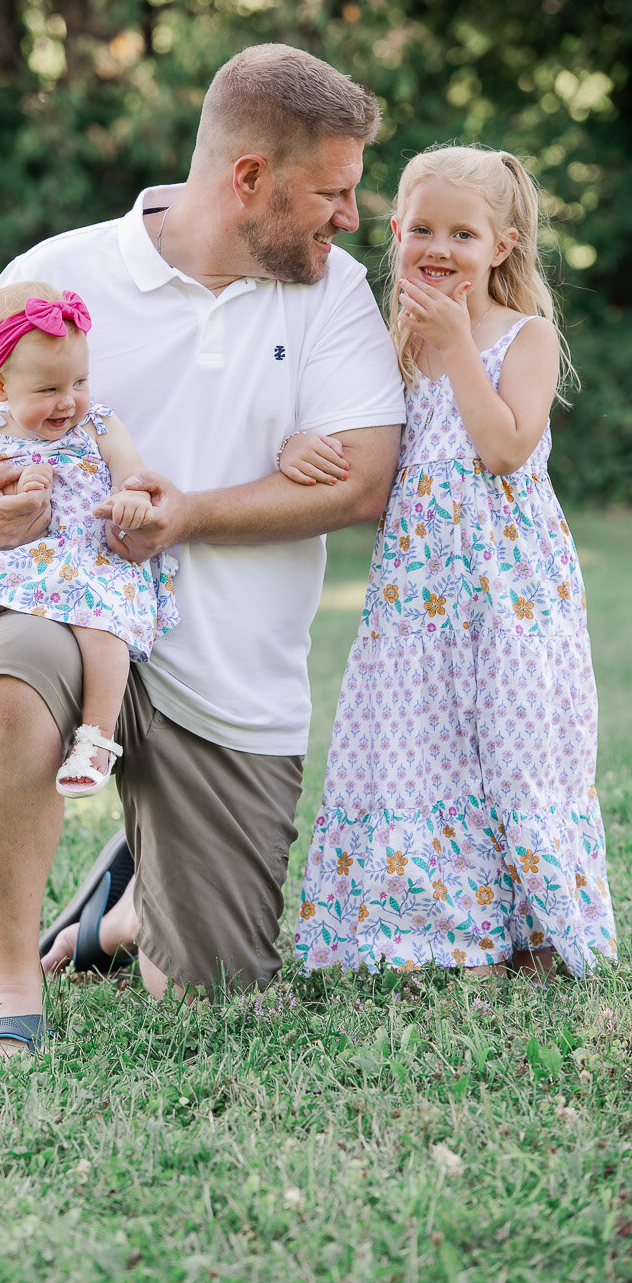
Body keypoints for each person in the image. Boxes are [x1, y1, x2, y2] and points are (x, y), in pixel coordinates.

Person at [0, 43, 407, 1056]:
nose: (350, 217)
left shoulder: (334, 292)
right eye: (332, 192)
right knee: (9, 670)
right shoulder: (54, 275)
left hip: (230, 674)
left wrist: (186, 513)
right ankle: (11, 983)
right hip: (66, 610)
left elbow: (364, 478)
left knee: (212, 994)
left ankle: (123, 897)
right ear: (247, 179)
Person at [292, 144, 617, 979]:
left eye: (463, 234)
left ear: (500, 246)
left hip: (510, 585)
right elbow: (362, 442)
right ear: (395, 231)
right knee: (425, 744)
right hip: (419, 592)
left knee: (515, 742)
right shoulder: (392, 342)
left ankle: (535, 930)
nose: (439, 249)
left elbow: (507, 448)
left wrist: (457, 345)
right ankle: (443, 931)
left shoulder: (525, 335)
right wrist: (301, 441)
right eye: (422, 229)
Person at [0, 280, 178, 796]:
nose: (67, 402)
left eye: (79, 381)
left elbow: (133, 478)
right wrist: (7, 485)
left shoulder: (99, 425)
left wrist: (131, 502)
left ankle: (96, 736)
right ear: (0, 387)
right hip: (16, 552)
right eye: (48, 390)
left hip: (88, 555)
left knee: (102, 628)